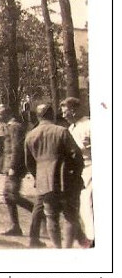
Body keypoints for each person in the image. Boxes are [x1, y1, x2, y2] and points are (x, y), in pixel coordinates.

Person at [24, 102, 85, 248]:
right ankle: (67, 249)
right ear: (52, 114)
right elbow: (76, 155)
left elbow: (29, 163)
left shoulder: (30, 136)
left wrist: (38, 176)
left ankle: (57, 249)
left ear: (38, 116)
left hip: (44, 182)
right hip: (65, 180)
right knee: (70, 216)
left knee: (51, 216)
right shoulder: (62, 131)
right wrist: (76, 173)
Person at [0, 104, 38, 241]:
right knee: (8, 195)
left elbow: (16, 148)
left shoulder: (14, 126)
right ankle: (15, 226)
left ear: (7, 113)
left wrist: (13, 166)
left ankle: (39, 213)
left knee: (13, 195)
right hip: (9, 166)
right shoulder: (10, 126)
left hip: (14, 167)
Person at [60, 97, 93, 245]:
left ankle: (92, 239)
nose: (63, 115)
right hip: (77, 171)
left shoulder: (89, 125)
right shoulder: (71, 128)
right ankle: (87, 237)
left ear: (73, 110)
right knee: (81, 205)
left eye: (65, 112)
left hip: (90, 167)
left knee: (88, 203)